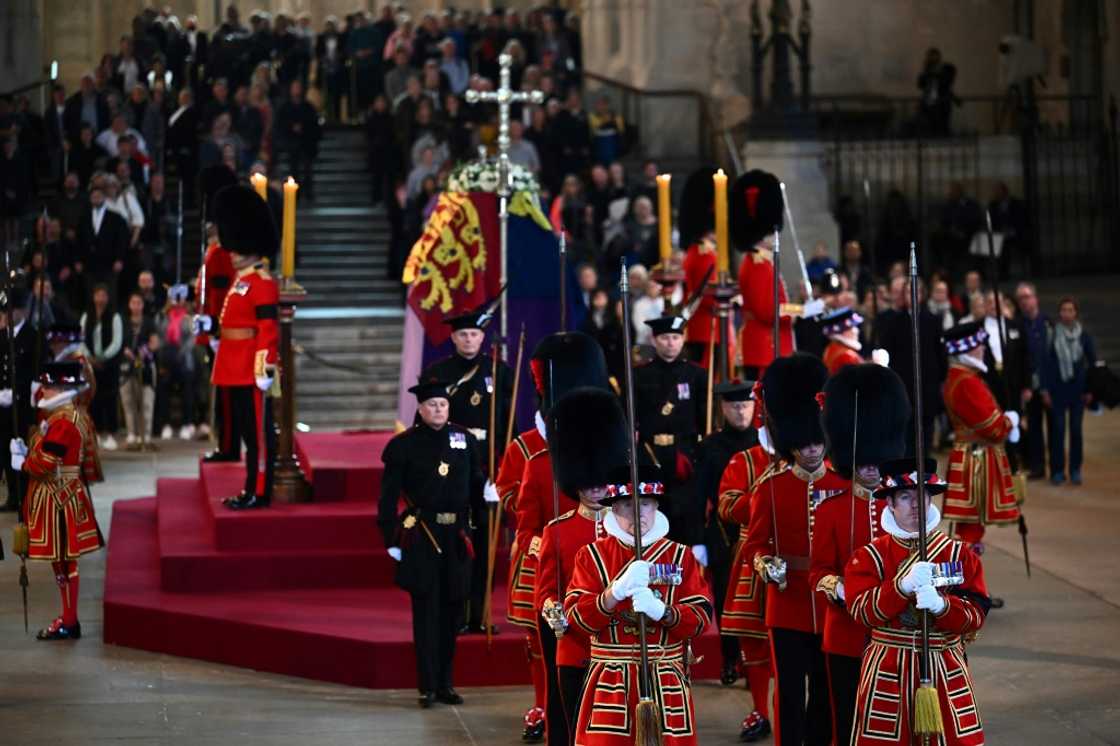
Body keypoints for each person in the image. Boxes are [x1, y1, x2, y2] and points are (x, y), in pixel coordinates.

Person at [563, 464, 712, 745]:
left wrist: (663, 612)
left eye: (644, 504)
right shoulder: (591, 556)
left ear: (656, 506)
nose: (637, 514)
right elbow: (576, 620)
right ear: (613, 509)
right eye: (627, 506)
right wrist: (614, 593)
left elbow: (701, 618)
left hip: (665, 680)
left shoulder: (680, 556)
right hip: (611, 681)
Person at [845, 457, 990, 746]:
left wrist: (942, 607)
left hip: (944, 665)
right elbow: (861, 611)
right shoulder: (870, 556)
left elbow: (976, 614)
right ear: (890, 503)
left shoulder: (958, 554)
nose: (915, 505)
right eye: (905, 497)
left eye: (921, 496)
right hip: (888, 667)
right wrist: (900, 587)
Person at [510, 331, 611, 742]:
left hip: (613, 590)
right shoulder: (538, 465)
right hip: (563, 582)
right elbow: (526, 525)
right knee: (563, 690)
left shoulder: (617, 463)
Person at [810, 364, 910, 746]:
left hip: (895, 631)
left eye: (875, 462)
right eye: (863, 462)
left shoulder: (903, 509)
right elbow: (818, 571)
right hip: (846, 631)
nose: (869, 468)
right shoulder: (830, 510)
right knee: (847, 719)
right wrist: (836, 586)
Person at [745, 353, 838, 746]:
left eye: (817, 442)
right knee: (788, 691)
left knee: (824, 688)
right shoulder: (771, 487)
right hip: (786, 603)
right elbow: (755, 543)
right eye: (803, 444)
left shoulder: (841, 485)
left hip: (829, 601)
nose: (812, 450)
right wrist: (764, 563)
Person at [378, 379, 488, 709]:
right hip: (423, 534)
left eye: (442, 404)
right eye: (432, 405)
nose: (438, 410)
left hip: (457, 536)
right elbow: (387, 499)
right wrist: (391, 538)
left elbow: (475, 485)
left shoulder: (464, 440)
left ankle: (445, 683)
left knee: (453, 612)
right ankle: (426, 685)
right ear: (421, 409)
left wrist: (486, 505)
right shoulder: (403, 445)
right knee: (426, 612)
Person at [537, 386, 631, 746]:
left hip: (620, 642)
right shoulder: (557, 531)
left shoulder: (629, 530)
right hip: (576, 642)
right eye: (587, 484)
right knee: (573, 722)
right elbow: (547, 588)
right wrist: (551, 607)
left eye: (600, 483)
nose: (595, 490)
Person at [420, 295, 513, 632]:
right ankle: (456, 614)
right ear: (453, 338)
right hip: (453, 465)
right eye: (463, 335)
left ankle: (482, 614)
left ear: (482, 337)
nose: (469, 340)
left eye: (474, 334)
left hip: (487, 468)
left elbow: (509, 422)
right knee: (457, 544)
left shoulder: (499, 371)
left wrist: (506, 469)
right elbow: (428, 424)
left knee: (486, 544)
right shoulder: (438, 373)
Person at [9, 362, 105, 640]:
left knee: (65, 562)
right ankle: (68, 617)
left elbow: (46, 463)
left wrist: (22, 462)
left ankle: (70, 620)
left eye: (48, 387)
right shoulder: (62, 417)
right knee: (62, 563)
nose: (43, 391)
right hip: (60, 495)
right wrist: (28, 450)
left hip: (58, 499)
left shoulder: (63, 422)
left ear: (61, 389)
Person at [202, 185, 279, 510]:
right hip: (233, 364)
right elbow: (233, 321)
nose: (231, 251)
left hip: (250, 367)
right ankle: (249, 488)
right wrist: (212, 329)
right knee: (248, 433)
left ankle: (258, 490)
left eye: (237, 246)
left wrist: (264, 367)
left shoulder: (262, 282)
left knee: (257, 435)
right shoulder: (241, 280)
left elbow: (267, 329)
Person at [716, 381, 776, 742]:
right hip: (752, 554)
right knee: (754, 640)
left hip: (799, 556)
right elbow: (726, 507)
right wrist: (762, 498)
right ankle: (760, 709)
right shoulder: (745, 460)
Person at [940, 322, 1022, 568]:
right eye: (979, 346)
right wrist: (1010, 422)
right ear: (967, 350)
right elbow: (993, 428)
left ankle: (967, 576)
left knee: (969, 525)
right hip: (976, 461)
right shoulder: (967, 382)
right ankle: (967, 578)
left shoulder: (961, 377)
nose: (983, 349)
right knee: (971, 527)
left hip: (970, 455)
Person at [692, 381, 758, 686]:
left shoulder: (764, 442)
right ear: (723, 408)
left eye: (745, 405)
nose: (740, 412)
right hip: (722, 533)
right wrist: (697, 539)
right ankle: (730, 657)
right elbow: (698, 496)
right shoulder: (710, 446)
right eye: (734, 406)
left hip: (757, 531)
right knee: (725, 598)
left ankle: (755, 661)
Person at [733, 170, 824, 378]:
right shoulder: (758, 264)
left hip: (770, 345)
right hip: (765, 347)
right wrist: (802, 310)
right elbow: (768, 312)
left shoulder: (762, 262)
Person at [633, 312, 707, 547]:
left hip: (684, 452)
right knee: (653, 508)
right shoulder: (639, 374)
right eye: (665, 337)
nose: (670, 343)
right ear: (654, 340)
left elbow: (703, 415)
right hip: (650, 452)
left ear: (683, 339)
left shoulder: (696, 374)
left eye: (676, 337)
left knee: (686, 509)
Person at [1042, 297, 1096, 486]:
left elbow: (1092, 363)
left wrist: (1090, 390)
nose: (1066, 313)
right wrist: (1045, 390)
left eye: (1070, 310)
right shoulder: (1052, 335)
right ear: (1060, 313)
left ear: (1075, 313)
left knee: (1076, 430)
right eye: (1063, 310)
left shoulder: (1084, 336)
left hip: (1078, 391)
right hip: (1057, 390)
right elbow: (1046, 364)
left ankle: (1075, 470)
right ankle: (1057, 470)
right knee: (1057, 430)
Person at [679, 168, 721, 368]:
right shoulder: (705, 254)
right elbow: (708, 295)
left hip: (701, 328)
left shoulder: (697, 251)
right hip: (707, 328)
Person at [0, 283, 35, 512]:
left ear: (22, 310)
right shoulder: (2, 335)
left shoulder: (33, 336)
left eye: (12, 310)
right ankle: (13, 495)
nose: (8, 314)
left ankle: (25, 496)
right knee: (5, 450)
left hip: (22, 405)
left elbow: (35, 371)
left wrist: (18, 392)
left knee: (21, 450)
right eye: (6, 311)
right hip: (2, 403)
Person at [80, 284, 123, 451]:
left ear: (108, 298)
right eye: (98, 295)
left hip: (109, 364)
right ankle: (95, 433)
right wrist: (89, 357)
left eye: (103, 295)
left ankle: (111, 433)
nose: (100, 299)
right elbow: (81, 339)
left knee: (110, 398)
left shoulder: (115, 317)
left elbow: (117, 342)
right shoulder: (87, 316)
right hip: (91, 363)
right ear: (93, 297)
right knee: (94, 399)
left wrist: (103, 357)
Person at [1014, 281, 1050, 479]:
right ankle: (1037, 467)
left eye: (1027, 297)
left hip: (1049, 384)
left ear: (1035, 298)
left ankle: (1057, 467)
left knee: (1055, 427)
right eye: (1020, 298)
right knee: (1034, 427)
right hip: (1029, 385)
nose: (1024, 301)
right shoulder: (1017, 325)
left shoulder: (1047, 322)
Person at [118, 291, 159, 450]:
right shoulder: (123, 322)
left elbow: (155, 342)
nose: (136, 306)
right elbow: (118, 342)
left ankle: (146, 435)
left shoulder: (149, 322)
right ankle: (132, 434)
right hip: (126, 368)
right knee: (128, 402)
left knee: (146, 402)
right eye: (133, 303)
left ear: (142, 305)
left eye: (139, 303)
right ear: (129, 305)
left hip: (145, 366)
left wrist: (144, 351)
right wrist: (125, 351)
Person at [273, 80, 321, 202]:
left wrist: (303, 127)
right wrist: (291, 127)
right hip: (291, 143)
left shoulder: (308, 106)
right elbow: (280, 124)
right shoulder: (285, 107)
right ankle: (296, 195)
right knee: (294, 170)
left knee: (307, 169)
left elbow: (314, 124)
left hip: (306, 143)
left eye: (298, 87)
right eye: (294, 87)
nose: (296, 90)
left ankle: (308, 193)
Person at [916, 47, 957, 136]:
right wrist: (928, 73)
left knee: (942, 124)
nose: (932, 60)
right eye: (930, 57)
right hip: (929, 102)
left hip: (941, 102)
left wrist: (936, 74)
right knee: (930, 124)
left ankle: (942, 136)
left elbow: (947, 83)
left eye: (934, 57)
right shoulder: (927, 71)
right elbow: (920, 84)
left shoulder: (946, 69)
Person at [820, 307, 866, 374]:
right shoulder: (847, 356)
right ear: (841, 331)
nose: (856, 331)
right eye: (851, 327)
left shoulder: (832, 348)